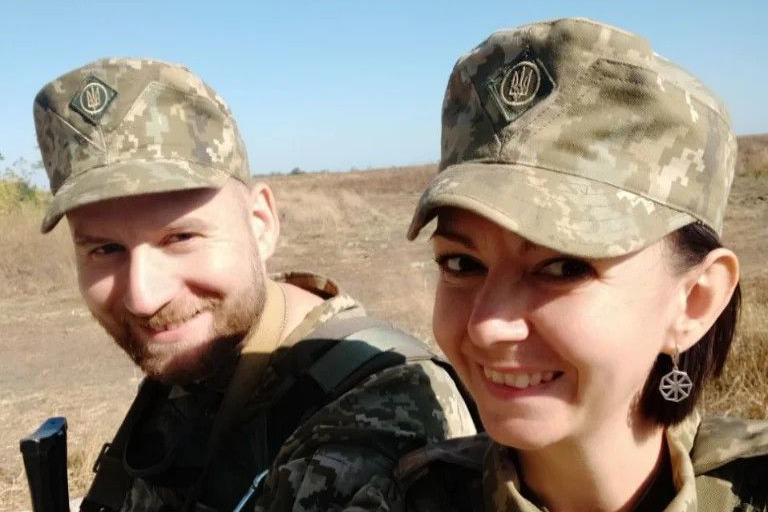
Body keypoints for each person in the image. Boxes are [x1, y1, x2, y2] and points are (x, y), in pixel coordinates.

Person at [33, 58, 477, 512]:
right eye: (105, 250)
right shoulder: (208, 353)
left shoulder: (378, 418)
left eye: (181, 237)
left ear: (261, 224)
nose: (144, 298)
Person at [392, 18, 768, 511]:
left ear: (694, 302)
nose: (486, 326)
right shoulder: (403, 499)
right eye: (462, 263)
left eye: (563, 267)